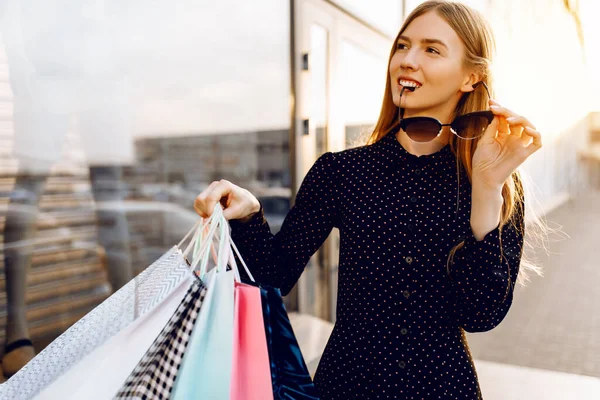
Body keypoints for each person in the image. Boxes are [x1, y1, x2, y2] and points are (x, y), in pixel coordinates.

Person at [194, 1, 543, 398]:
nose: (407, 60)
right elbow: (273, 276)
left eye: (431, 49)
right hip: (348, 384)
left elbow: (480, 314)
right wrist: (248, 215)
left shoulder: (496, 181)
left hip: (444, 388)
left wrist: (485, 188)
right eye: (402, 46)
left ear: (471, 76)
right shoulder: (342, 171)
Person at [0, 0, 134, 380]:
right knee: (31, 184)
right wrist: (18, 58)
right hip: (49, 56)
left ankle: (127, 323)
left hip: (103, 59)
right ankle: (15, 334)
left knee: (110, 196)